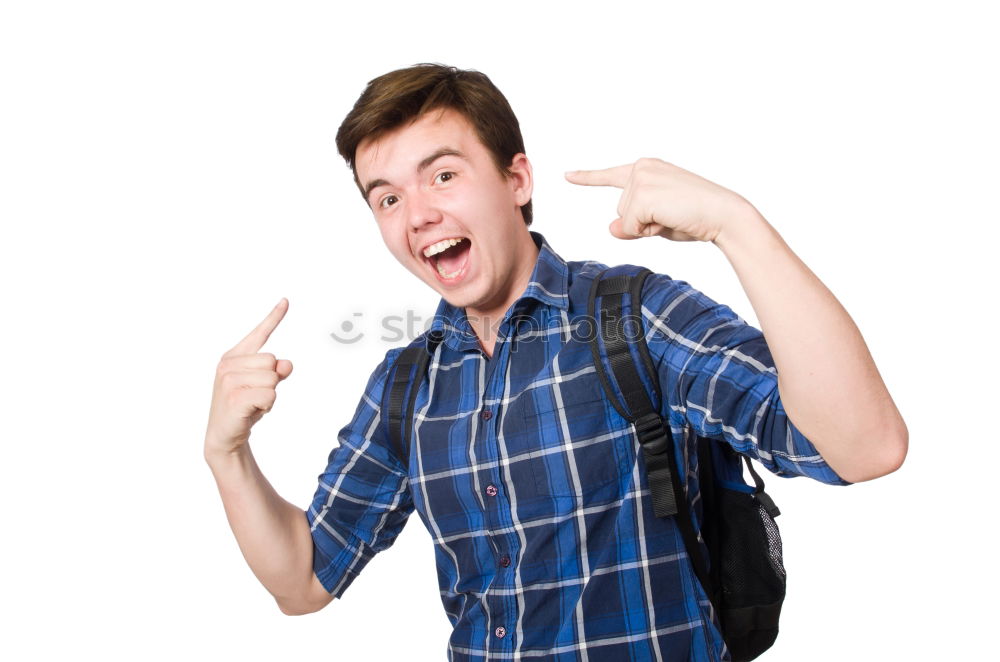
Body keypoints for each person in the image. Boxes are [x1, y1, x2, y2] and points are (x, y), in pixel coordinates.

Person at [204, 64, 907, 660]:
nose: (415, 214)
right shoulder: (407, 384)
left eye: (442, 175)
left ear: (516, 179)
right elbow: (302, 582)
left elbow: (863, 447)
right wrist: (227, 453)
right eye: (387, 197)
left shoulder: (634, 318)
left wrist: (735, 223)